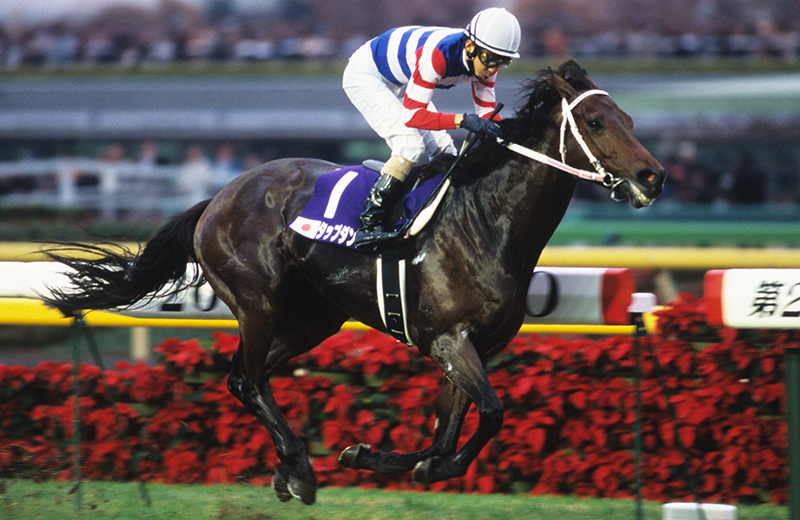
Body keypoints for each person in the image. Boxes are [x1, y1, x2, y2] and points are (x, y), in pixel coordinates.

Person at [342, 7, 521, 250]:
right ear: (470, 47)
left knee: (446, 152)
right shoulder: (439, 55)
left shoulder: (484, 56)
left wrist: (515, 136)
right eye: (490, 59)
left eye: (503, 61)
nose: (492, 69)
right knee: (410, 145)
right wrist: (462, 120)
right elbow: (414, 116)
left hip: (403, 77)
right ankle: (368, 225)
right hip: (366, 74)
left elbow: (487, 114)